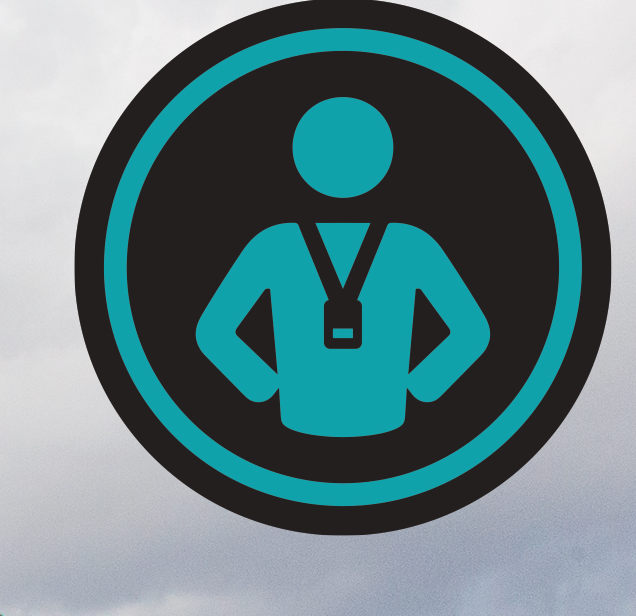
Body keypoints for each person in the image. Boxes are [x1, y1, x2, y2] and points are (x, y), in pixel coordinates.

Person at [194, 96, 487, 438]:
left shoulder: (274, 244)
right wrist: (420, 387)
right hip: (383, 411)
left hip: (302, 411)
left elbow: (213, 332)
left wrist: (265, 388)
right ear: (382, 158)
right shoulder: (411, 243)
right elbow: (472, 332)